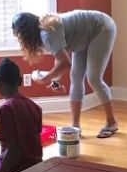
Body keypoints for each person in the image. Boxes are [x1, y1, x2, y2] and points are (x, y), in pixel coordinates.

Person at [12, 9, 118, 138]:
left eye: (19, 36)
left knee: (94, 78)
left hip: (101, 27)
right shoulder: (45, 30)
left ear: (25, 33)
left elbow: (65, 63)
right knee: (76, 77)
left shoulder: (47, 33)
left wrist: (45, 78)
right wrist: (56, 79)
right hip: (84, 36)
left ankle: (111, 122)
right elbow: (61, 56)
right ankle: (75, 128)